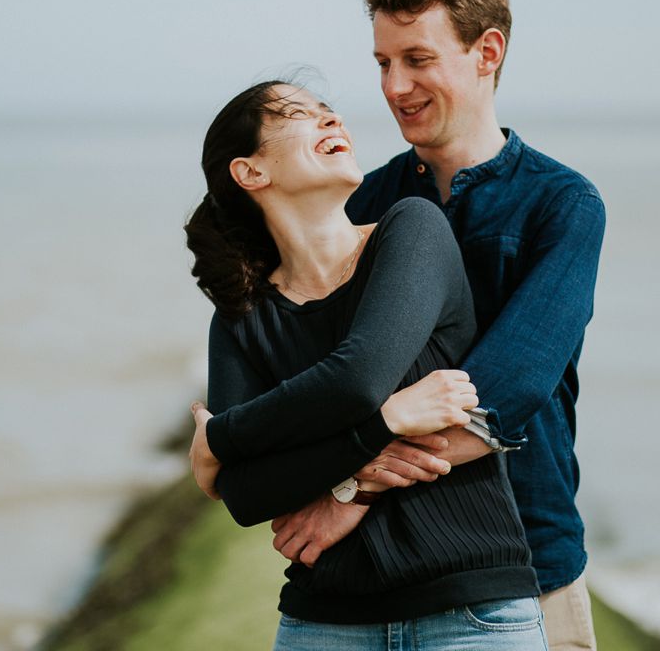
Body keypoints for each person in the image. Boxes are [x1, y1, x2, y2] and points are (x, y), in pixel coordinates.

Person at [266, 0, 607, 651]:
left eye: (417, 59)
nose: (395, 86)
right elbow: (318, 373)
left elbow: (501, 391)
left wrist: (353, 490)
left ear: (487, 52)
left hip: (527, 562)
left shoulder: (562, 205)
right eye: (383, 62)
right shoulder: (366, 201)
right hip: (372, 572)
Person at [184, 80, 549, 650]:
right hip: (321, 623)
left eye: (330, 111)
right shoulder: (242, 317)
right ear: (250, 172)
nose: (331, 121)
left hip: (472, 613)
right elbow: (249, 496)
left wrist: (220, 438)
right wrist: (390, 422)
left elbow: (356, 380)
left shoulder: (411, 230)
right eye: (298, 114)